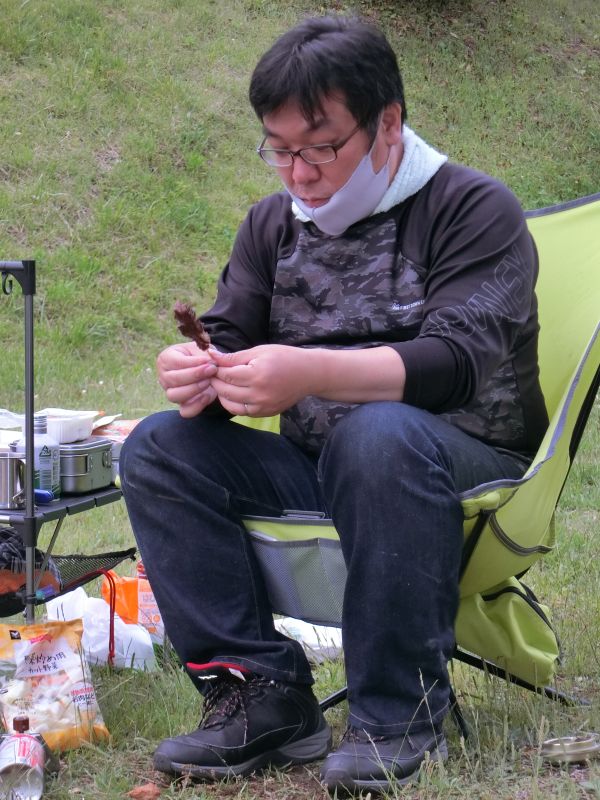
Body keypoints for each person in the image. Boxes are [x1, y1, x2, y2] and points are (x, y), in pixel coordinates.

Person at [120, 14, 548, 795]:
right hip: (326, 467)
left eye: (320, 147)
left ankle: (397, 714)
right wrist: (197, 371)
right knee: (159, 447)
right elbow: (230, 333)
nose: (299, 173)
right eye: (278, 149)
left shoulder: (471, 209)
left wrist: (311, 372)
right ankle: (262, 696)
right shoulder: (272, 225)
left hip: (467, 471)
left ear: (388, 123)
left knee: (378, 435)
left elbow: (455, 365)